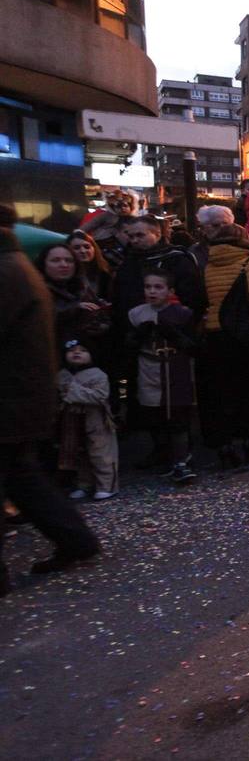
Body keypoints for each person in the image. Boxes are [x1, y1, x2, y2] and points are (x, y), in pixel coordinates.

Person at [0, 204, 101, 594]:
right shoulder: (16, 266)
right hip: (22, 394)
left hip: (12, 396)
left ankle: (74, 540)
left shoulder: (7, 271)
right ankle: (76, 540)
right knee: (24, 478)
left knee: (23, 477)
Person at [195, 206, 249, 469]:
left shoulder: (204, 258)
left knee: (221, 391)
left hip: (215, 332)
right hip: (245, 333)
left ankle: (225, 445)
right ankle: (248, 441)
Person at [127, 268, 198, 484]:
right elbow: (128, 345)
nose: (152, 291)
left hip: (176, 368)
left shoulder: (183, 314)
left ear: (169, 291)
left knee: (177, 415)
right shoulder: (136, 314)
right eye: (148, 287)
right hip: (149, 369)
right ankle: (163, 453)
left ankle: (181, 461)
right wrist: (139, 337)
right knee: (154, 414)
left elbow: (193, 345)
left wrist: (175, 336)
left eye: (158, 287)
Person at [110, 216, 203, 327]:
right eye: (131, 236)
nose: (134, 240)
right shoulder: (128, 262)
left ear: (157, 235)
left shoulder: (176, 259)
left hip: (171, 326)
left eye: (140, 235)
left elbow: (191, 296)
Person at [57, 338, 118, 500]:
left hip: (96, 419)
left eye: (82, 350)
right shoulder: (62, 374)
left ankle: (107, 485)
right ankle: (84, 484)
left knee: (101, 453)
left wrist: (72, 391)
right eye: (72, 351)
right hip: (71, 419)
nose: (77, 353)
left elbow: (100, 395)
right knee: (78, 452)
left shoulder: (98, 374)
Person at [37, 243, 109, 349]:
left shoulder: (83, 287)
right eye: (55, 260)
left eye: (69, 260)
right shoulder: (36, 290)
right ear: (44, 264)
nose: (64, 265)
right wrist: (73, 309)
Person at [66, 230, 112, 298]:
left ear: (94, 249)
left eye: (87, 247)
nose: (83, 251)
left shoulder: (105, 272)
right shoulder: (64, 275)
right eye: (76, 248)